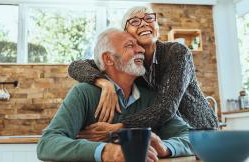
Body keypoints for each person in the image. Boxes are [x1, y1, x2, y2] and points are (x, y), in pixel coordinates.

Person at [37, 28, 193, 162]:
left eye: (138, 45)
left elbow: (190, 138)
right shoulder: (84, 93)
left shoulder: (151, 98)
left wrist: (165, 147)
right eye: (130, 45)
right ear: (108, 58)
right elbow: (48, 143)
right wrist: (106, 151)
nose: (141, 50)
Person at [68, 6, 218, 129]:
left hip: (200, 131)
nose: (144, 23)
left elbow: (166, 108)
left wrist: (120, 127)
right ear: (126, 34)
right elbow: (76, 66)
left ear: (156, 26)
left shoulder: (177, 52)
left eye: (149, 18)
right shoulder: (127, 62)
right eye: (134, 21)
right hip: (168, 134)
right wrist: (103, 82)